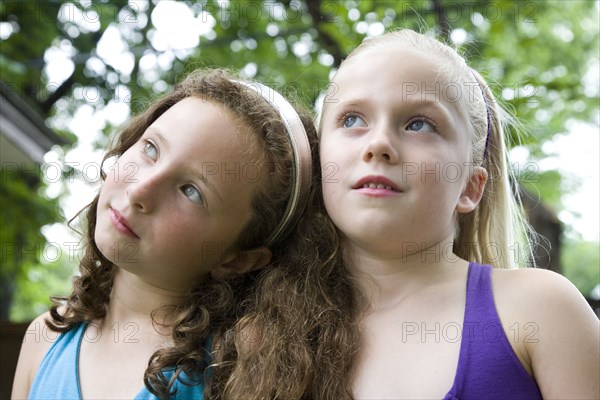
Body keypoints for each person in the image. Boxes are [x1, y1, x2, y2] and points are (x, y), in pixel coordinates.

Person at [314, 29, 599, 399]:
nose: (379, 143)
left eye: (419, 124)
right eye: (352, 119)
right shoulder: (262, 332)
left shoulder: (540, 311)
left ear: (470, 187)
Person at [11, 68, 318, 399]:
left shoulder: (237, 368)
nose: (141, 191)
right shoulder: (45, 338)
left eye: (192, 191)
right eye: (151, 149)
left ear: (238, 258)